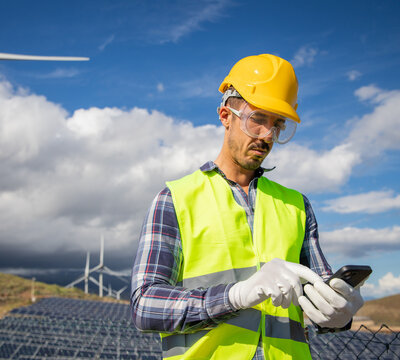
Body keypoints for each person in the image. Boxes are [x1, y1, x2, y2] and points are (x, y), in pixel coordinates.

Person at [130, 54, 365, 359]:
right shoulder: (176, 198)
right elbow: (145, 305)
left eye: (277, 125)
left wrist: (339, 315)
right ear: (225, 115)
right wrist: (236, 295)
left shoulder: (297, 205)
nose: (267, 135)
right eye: (257, 119)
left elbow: (320, 297)